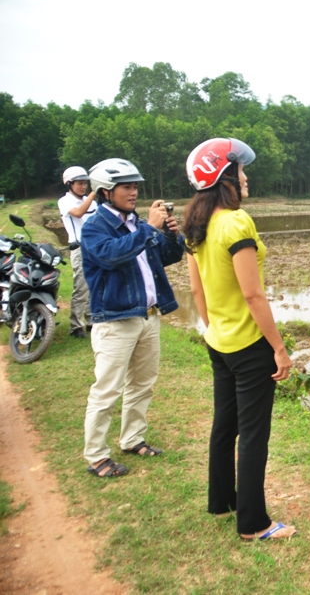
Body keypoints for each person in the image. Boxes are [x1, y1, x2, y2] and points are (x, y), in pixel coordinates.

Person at [182, 138, 294, 541]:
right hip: (249, 347)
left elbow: (197, 291)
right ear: (223, 176)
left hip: (218, 342)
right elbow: (253, 294)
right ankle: (253, 524)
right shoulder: (235, 222)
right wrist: (278, 348)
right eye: (240, 171)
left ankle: (221, 502)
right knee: (253, 435)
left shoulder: (197, 224)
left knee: (224, 425)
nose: (245, 178)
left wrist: (215, 327)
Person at [80, 158, 185, 478]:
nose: (133, 192)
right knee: (107, 390)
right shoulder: (94, 228)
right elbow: (112, 256)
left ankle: (132, 438)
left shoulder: (137, 224)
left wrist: (169, 236)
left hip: (148, 317)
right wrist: (150, 229)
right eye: (126, 187)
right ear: (104, 192)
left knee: (142, 384)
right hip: (115, 320)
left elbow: (168, 258)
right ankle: (97, 456)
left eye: (135, 186)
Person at [58, 166, 98, 337]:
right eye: (80, 184)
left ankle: (91, 322)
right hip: (79, 248)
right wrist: (94, 193)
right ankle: (75, 326)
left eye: (85, 184)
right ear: (69, 184)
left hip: (94, 247)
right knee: (81, 287)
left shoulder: (92, 202)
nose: (83, 187)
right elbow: (79, 212)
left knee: (94, 286)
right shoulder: (65, 201)